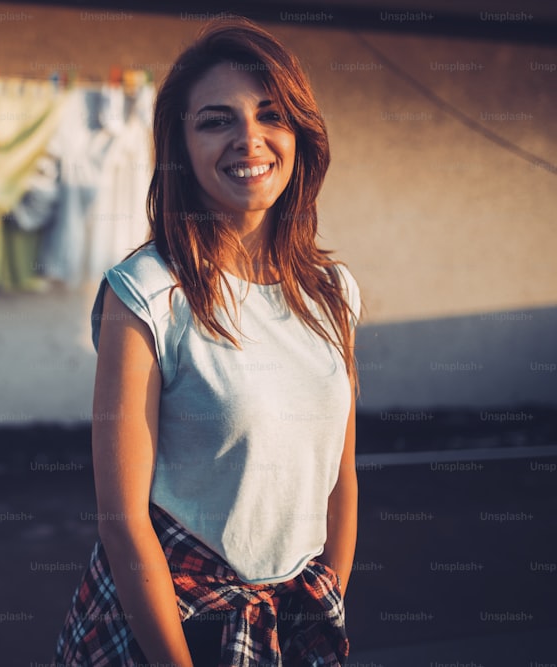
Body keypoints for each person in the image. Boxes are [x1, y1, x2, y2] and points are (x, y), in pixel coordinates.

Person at [54, 16, 360, 667]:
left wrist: (323, 595)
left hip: (290, 622)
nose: (249, 138)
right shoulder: (144, 292)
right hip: (167, 623)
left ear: (299, 134)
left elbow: (339, 477)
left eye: (270, 115)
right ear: (181, 147)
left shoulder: (333, 290)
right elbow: (123, 521)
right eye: (216, 120)